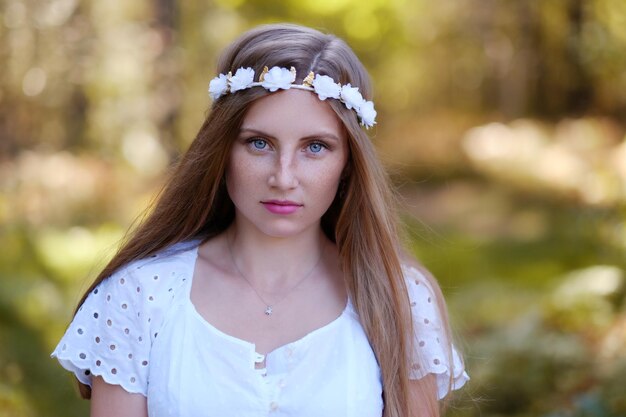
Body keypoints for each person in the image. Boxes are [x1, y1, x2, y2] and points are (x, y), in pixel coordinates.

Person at [52, 23, 468, 417]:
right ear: (222, 150)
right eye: (259, 143)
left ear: (348, 162)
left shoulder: (400, 300)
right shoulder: (140, 294)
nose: (283, 177)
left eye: (316, 147)